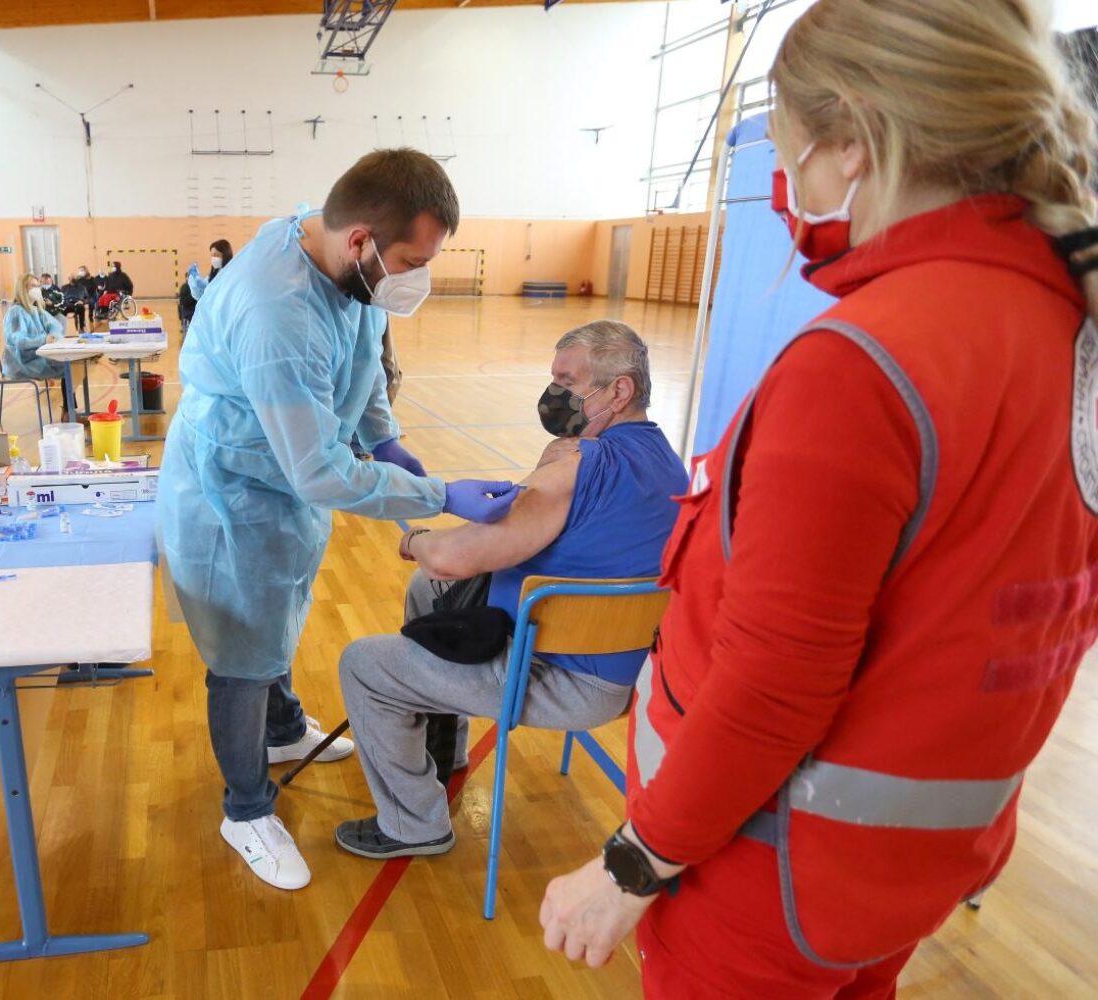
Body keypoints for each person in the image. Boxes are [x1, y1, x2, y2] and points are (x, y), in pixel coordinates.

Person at [536, 2, 1098, 996]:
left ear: (853, 141)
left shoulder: (865, 361)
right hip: (898, 871)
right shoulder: (1062, 325)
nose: (785, 188)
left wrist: (631, 863)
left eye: (789, 151)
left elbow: (776, 679)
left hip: (760, 869)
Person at [160, 148, 521, 891]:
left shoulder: (338, 259)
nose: (414, 277)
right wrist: (439, 496)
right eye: (410, 262)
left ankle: (284, 728)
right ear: (360, 240)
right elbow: (321, 471)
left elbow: (363, 364)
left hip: (280, 479)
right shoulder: (277, 311)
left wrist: (385, 439)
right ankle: (246, 809)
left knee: (276, 613)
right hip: (232, 492)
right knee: (241, 654)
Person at [334, 321, 685, 859]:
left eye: (568, 382)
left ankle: (414, 824)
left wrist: (416, 540)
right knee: (429, 591)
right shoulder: (668, 463)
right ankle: (445, 749)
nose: (554, 395)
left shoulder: (576, 466)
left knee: (365, 663)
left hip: (552, 674)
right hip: (626, 667)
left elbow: (454, 556)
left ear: (620, 390)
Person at [1, 275, 68, 416]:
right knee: (69, 367)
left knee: (72, 365)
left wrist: (52, 336)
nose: (37, 289)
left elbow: (55, 326)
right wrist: (44, 339)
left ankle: (69, 411)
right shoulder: (16, 312)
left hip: (36, 357)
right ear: (23, 289)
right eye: (33, 286)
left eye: (38, 286)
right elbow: (20, 342)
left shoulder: (35, 310)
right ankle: (68, 413)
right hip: (22, 362)